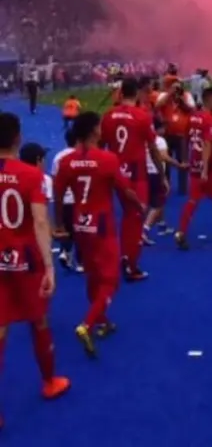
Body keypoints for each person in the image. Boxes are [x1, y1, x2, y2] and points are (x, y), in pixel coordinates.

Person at [0, 113, 71, 426]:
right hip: (25, 260)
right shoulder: (30, 176)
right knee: (38, 320)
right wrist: (50, 267)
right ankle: (49, 381)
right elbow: (41, 221)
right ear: (17, 138)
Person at [53, 112, 142, 357]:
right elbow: (126, 190)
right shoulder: (107, 159)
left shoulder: (67, 162)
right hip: (102, 225)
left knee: (92, 275)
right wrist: (139, 207)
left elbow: (58, 195)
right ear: (93, 130)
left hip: (80, 224)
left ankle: (102, 320)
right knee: (111, 280)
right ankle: (87, 323)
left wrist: (59, 223)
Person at [100, 78, 165, 282]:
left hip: (114, 172)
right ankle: (130, 263)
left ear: (120, 93)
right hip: (136, 175)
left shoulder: (108, 116)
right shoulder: (142, 116)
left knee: (126, 214)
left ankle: (121, 258)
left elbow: (101, 144)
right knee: (135, 216)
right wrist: (162, 174)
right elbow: (153, 149)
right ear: (136, 94)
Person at [175, 88, 212, 249]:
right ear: (209, 100)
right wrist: (205, 170)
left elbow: (185, 137)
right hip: (210, 167)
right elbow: (208, 143)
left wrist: (187, 159)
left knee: (193, 200)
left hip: (195, 164)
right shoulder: (210, 120)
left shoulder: (193, 117)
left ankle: (181, 231)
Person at [143, 120, 186, 240]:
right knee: (158, 203)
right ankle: (145, 229)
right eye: (163, 127)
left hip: (145, 172)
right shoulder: (160, 140)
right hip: (156, 172)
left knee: (155, 199)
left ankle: (162, 225)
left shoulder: (144, 139)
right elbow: (164, 156)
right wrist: (178, 164)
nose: (165, 130)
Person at [50, 131, 82, 272]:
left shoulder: (58, 157)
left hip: (63, 199)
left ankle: (65, 252)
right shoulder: (80, 157)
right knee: (80, 230)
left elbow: (54, 177)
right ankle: (80, 262)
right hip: (77, 198)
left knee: (66, 228)